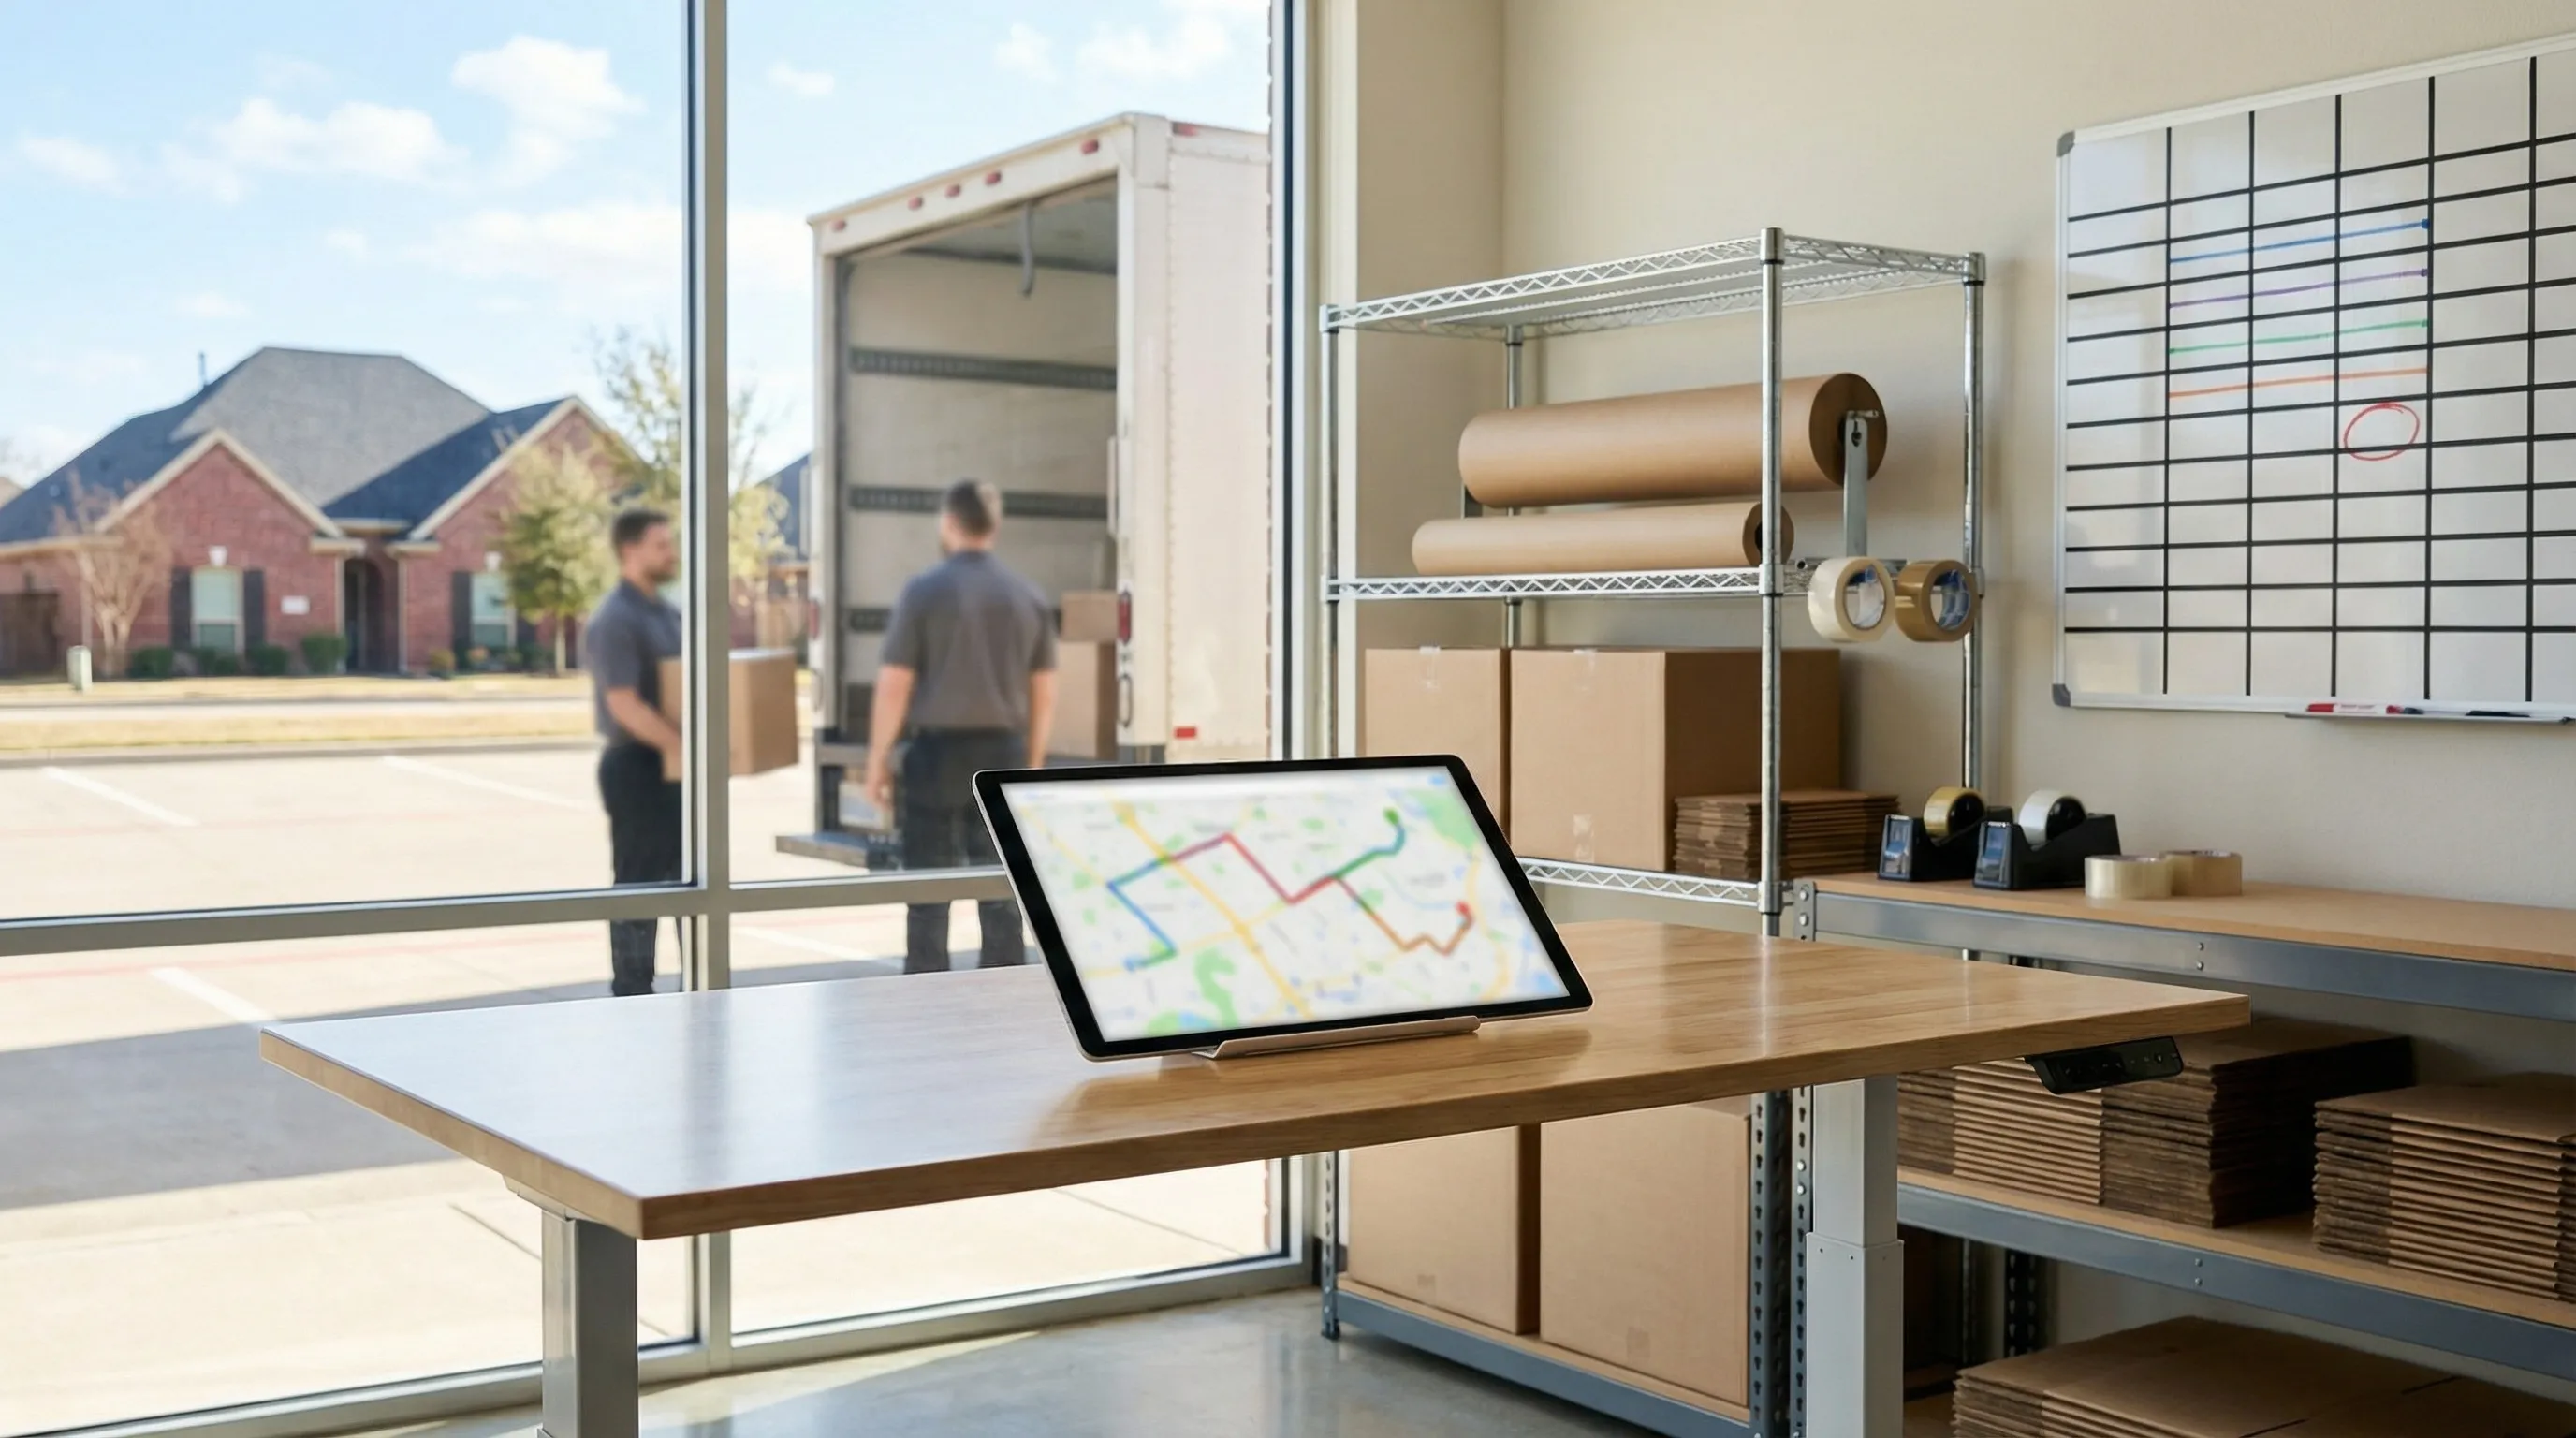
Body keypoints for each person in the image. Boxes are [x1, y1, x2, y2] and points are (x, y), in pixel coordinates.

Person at [864, 478, 1058, 974]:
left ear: (949, 523)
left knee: (928, 890)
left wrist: (877, 761)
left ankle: (927, 998)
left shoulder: (924, 592)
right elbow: (1044, 693)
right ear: (994, 526)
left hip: (938, 758)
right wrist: (1032, 765)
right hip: (1004, 756)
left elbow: (894, 686)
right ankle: (1003, 989)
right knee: (1002, 892)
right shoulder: (1027, 596)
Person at [586, 508, 683, 997]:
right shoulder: (615, 619)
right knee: (639, 883)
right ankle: (632, 993)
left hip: (677, 767)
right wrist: (681, 748)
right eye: (661, 545)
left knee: (692, 879)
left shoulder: (668, 613)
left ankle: (701, 986)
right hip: (637, 767)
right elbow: (623, 702)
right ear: (631, 551)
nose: (672, 553)